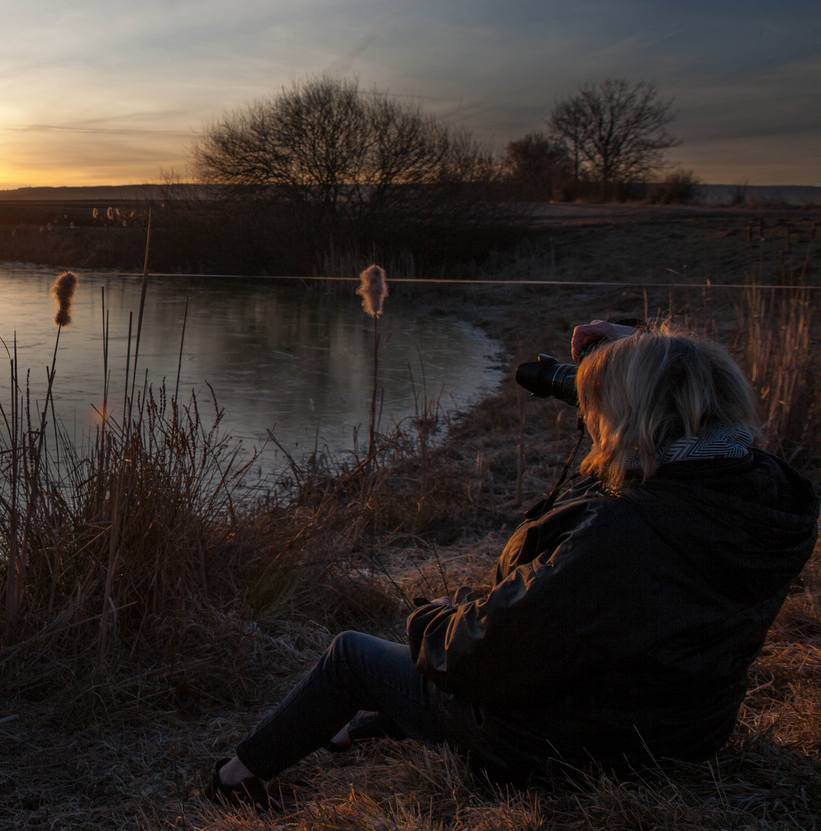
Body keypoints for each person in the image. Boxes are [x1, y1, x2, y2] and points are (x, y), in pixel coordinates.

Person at [206, 320, 818, 807]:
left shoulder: (617, 533)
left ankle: (235, 780)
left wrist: (435, 619)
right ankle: (354, 728)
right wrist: (630, 348)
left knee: (353, 655)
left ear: (630, 417)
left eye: (600, 407)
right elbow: (609, 607)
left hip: (571, 746)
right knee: (497, 613)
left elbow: (480, 660)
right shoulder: (774, 497)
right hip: (687, 732)